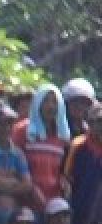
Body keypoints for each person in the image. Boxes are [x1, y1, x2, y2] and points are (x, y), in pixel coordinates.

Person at [12, 83, 70, 211]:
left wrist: (64, 182)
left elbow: (61, 168)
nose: (50, 106)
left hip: (53, 199)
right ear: (37, 103)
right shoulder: (22, 130)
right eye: (46, 101)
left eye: (54, 102)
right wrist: (30, 187)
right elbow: (13, 162)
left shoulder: (62, 134)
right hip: (26, 197)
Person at [0, 105, 33, 224]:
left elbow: (27, 185)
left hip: (14, 212)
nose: (6, 128)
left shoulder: (18, 153)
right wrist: (14, 182)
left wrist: (1, 184)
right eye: (1, 124)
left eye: (10, 124)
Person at [65, 102, 102, 224]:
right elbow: (67, 176)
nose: (99, 126)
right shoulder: (77, 144)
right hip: (80, 209)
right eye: (96, 121)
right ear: (89, 122)